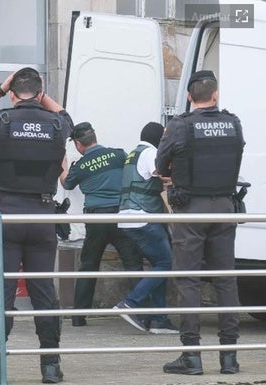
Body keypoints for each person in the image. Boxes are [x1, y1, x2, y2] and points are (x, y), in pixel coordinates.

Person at [0, 67, 73, 384]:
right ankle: (51, 366)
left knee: (2, 295)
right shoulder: (57, 124)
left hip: (5, 216)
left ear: (12, 94)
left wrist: (0, 87)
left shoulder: (1, 121)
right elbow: (68, 118)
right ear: (39, 94)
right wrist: (41, 94)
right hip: (41, 216)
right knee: (44, 295)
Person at [156, 70, 245, 375]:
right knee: (225, 278)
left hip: (191, 208)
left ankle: (191, 356)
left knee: (189, 279)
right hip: (224, 206)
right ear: (216, 94)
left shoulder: (180, 125)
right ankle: (229, 357)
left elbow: (159, 163)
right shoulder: (233, 123)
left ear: (191, 97)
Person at [59, 122, 142, 327]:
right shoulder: (118, 155)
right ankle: (144, 312)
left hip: (96, 219)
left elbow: (66, 183)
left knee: (88, 265)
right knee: (133, 264)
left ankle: (79, 317)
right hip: (120, 216)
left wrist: (63, 166)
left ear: (78, 144)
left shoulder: (80, 166)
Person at [114, 122, 178, 334]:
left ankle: (159, 320)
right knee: (165, 263)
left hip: (128, 217)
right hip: (143, 217)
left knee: (158, 265)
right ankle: (130, 304)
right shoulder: (151, 153)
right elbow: (162, 174)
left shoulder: (134, 153)